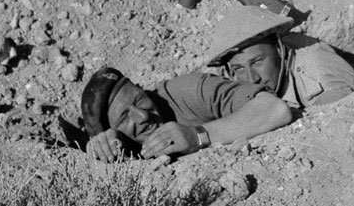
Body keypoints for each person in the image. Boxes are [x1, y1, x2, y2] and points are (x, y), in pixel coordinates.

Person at [80, 66, 292, 163]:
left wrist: (197, 135)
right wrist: (99, 152)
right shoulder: (118, 144)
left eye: (139, 100)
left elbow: (274, 109)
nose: (143, 116)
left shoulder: (188, 91)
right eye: (124, 118)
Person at [205, 6, 354, 113]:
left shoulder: (318, 75)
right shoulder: (235, 86)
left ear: (280, 50)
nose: (252, 78)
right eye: (239, 69)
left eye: (257, 62)